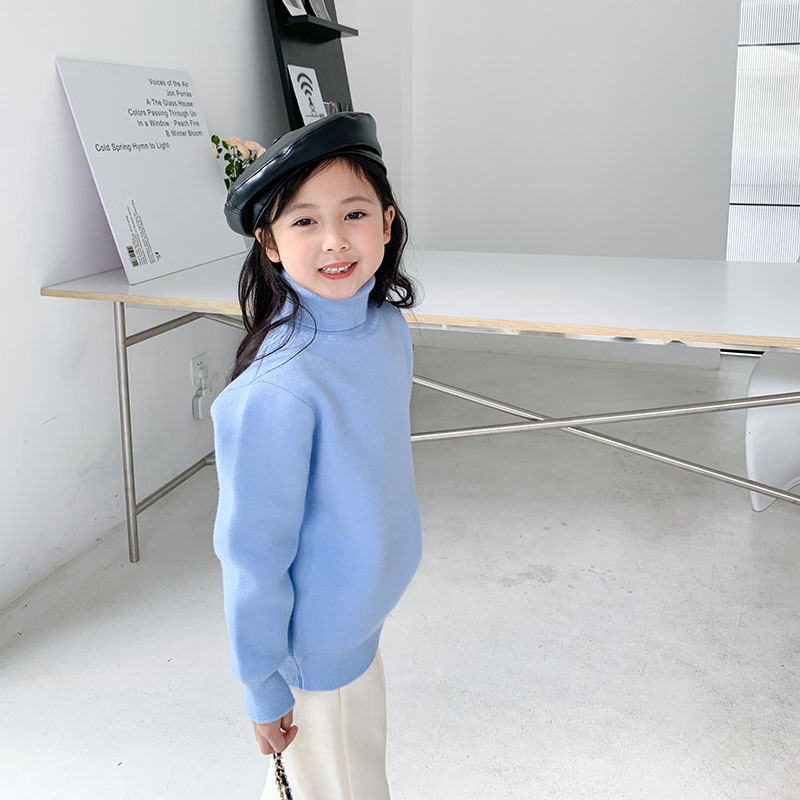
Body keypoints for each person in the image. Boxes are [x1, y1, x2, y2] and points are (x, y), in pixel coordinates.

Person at [210, 112, 423, 800]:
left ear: (386, 222)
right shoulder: (275, 392)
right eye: (304, 221)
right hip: (312, 651)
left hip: (360, 621)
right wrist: (261, 682)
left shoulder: (385, 329)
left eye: (354, 213)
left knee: (359, 777)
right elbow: (253, 554)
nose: (335, 240)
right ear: (269, 243)